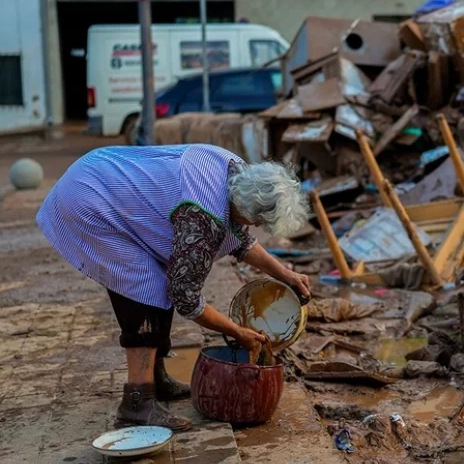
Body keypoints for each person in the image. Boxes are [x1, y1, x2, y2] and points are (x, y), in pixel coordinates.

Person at [36, 144, 312, 431]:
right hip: (91, 200)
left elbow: (239, 237)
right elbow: (187, 299)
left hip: (102, 172)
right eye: (257, 221)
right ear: (251, 210)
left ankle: (156, 379)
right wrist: (237, 332)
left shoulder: (236, 173)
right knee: (142, 290)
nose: (254, 226)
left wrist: (286, 275)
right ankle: (137, 405)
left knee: (159, 285)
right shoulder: (202, 219)